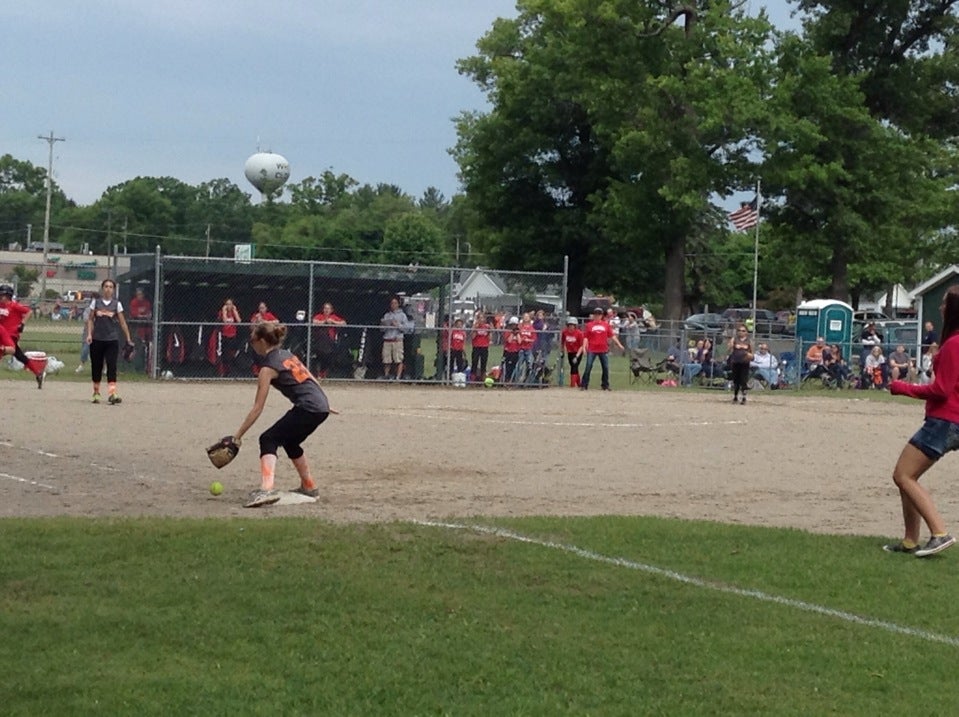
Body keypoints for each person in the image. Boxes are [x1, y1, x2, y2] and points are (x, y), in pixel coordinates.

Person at [884, 286, 959, 557]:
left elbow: (941, 390)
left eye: (943, 304)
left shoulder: (954, 344)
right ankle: (909, 540)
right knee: (908, 477)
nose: (940, 308)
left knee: (902, 475)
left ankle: (940, 533)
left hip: (944, 421)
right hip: (950, 421)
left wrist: (902, 387)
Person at [233, 321, 333, 508]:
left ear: (262, 341)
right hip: (319, 407)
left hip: (308, 407)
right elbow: (310, 377)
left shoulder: (267, 368)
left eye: (253, 340)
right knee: (290, 442)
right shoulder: (287, 355)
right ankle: (309, 486)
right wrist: (324, 402)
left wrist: (237, 436)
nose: (252, 344)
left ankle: (266, 489)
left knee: (268, 439)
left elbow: (257, 408)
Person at [85, 278, 134, 404]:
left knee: (112, 366)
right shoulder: (95, 303)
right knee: (97, 366)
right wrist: (89, 334)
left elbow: (122, 322)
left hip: (111, 339)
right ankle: (96, 392)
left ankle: (112, 393)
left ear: (113, 290)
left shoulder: (116, 304)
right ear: (102, 289)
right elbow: (90, 319)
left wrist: (128, 338)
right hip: (97, 339)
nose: (108, 289)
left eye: (111, 287)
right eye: (106, 286)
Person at [0, 284, 47, 388]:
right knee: (20, 356)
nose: (1, 298)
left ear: (9, 296)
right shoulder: (0, 306)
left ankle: (38, 373)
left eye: (3, 295)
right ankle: (38, 373)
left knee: (15, 354)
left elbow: (29, 311)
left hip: (12, 334)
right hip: (2, 334)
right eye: (1, 295)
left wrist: (22, 323)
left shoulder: (14, 306)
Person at [577, 306, 624, 391]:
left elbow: (612, 335)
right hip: (592, 349)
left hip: (603, 349)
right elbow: (586, 337)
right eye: (596, 314)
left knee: (605, 367)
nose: (597, 316)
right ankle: (584, 385)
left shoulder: (606, 325)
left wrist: (619, 344)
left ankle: (605, 385)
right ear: (594, 315)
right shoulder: (589, 325)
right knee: (588, 366)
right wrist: (584, 347)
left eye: (599, 314)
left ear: (602, 315)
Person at [380, 295, 412, 379]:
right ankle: (386, 376)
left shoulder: (402, 316)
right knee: (386, 360)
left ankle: (398, 377)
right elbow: (381, 329)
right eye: (392, 303)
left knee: (398, 359)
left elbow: (407, 329)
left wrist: (397, 325)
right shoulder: (387, 315)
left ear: (398, 304)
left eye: (395, 303)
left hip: (397, 340)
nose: (393, 305)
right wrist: (386, 324)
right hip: (387, 340)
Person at [312, 302, 347, 378]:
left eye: (328, 308)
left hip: (330, 342)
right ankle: (319, 372)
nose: (326, 310)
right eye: (325, 308)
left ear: (332, 310)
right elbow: (314, 322)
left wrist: (333, 322)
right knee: (320, 354)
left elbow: (344, 323)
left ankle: (324, 372)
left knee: (328, 356)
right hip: (320, 342)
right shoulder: (319, 316)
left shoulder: (333, 317)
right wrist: (324, 322)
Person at [727, 324, 753, 403]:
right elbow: (728, 350)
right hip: (736, 362)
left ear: (746, 332)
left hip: (744, 363)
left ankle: (744, 397)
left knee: (743, 379)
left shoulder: (749, 341)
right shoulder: (734, 339)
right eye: (739, 331)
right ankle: (735, 396)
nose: (741, 332)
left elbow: (752, 353)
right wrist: (731, 345)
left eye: (743, 331)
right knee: (736, 380)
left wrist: (750, 356)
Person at [217, 298, 243, 376]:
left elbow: (239, 321)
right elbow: (224, 320)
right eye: (227, 304)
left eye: (230, 304)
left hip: (233, 335)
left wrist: (235, 311)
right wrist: (224, 311)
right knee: (224, 354)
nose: (229, 306)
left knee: (231, 353)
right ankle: (224, 371)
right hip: (224, 335)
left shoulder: (233, 312)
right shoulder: (222, 312)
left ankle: (232, 370)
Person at [560, 316, 584, 387]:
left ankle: (572, 385)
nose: (571, 327)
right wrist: (562, 351)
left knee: (574, 367)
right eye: (570, 325)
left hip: (577, 352)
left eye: (573, 325)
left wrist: (576, 356)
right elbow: (562, 342)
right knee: (574, 367)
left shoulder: (579, 333)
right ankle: (579, 383)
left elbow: (581, 346)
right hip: (570, 352)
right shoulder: (565, 332)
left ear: (575, 326)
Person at [75, 294, 97, 373]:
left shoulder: (101, 310)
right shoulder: (88, 310)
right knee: (85, 349)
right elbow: (87, 321)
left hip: (99, 333)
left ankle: (104, 368)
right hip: (88, 332)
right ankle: (81, 365)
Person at [470, 311, 492, 381]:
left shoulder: (487, 326)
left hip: (484, 347)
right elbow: (473, 337)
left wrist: (490, 331)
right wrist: (475, 329)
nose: (481, 319)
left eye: (483, 318)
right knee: (474, 362)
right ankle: (472, 379)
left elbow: (490, 338)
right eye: (480, 318)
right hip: (476, 346)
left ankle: (483, 379)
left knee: (483, 363)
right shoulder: (476, 325)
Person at [501, 316, 522, 384]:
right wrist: (513, 333)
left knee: (514, 366)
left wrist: (517, 333)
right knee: (507, 367)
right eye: (512, 325)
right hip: (508, 351)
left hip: (515, 351)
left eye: (515, 325)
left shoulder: (519, 332)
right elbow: (509, 341)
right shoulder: (507, 331)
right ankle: (506, 380)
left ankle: (512, 380)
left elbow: (519, 341)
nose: (514, 326)